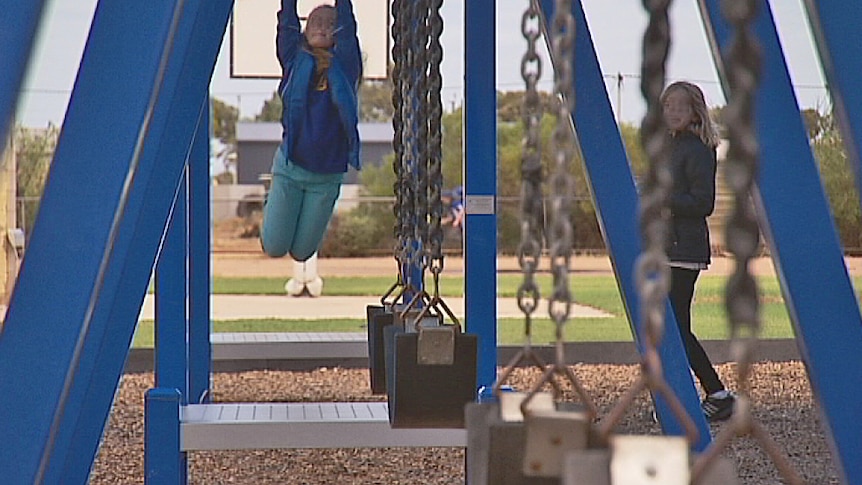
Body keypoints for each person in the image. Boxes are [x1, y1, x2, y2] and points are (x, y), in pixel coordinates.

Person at [261, 0, 362, 262]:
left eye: (330, 24)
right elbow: (286, 25)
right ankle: (272, 207)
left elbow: (348, 28)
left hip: (326, 178)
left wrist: (343, 9)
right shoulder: (294, 61)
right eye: (315, 22)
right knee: (274, 247)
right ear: (305, 30)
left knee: (303, 253)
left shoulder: (347, 67)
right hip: (291, 168)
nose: (322, 27)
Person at [661, 81, 735, 422]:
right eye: (668, 106)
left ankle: (716, 393)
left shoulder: (697, 149)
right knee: (671, 326)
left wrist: (662, 201)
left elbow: (703, 203)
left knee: (675, 328)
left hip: (683, 250)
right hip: (668, 247)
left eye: (680, 106)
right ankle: (680, 399)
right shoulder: (673, 146)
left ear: (695, 111)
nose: (673, 112)